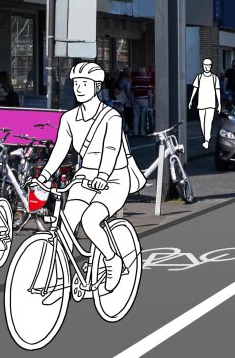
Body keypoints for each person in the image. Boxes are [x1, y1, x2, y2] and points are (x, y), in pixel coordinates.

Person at [32, 62, 140, 296]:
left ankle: (112, 261)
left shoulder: (111, 117)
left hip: (113, 177)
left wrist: (102, 176)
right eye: (76, 84)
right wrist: (44, 177)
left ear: (97, 87)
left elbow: (111, 149)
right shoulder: (69, 118)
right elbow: (59, 151)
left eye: (85, 83)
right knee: (66, 223)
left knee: (91, 220)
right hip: (85, 176)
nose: (79, 88)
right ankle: (59, 273)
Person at [189, 58, 222, 148]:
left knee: (208, 122)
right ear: (203, 66)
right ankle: (206, 138)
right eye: (205, 66)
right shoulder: (199, 77)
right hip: (201, 104)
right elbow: (195, 89)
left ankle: (207, 140)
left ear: (211, 66)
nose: (207, 67)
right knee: (203, 123)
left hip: (211, 104)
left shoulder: (214, 78)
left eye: (208, 66)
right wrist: (191, 100)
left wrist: (219, 104)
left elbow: (217, 91)